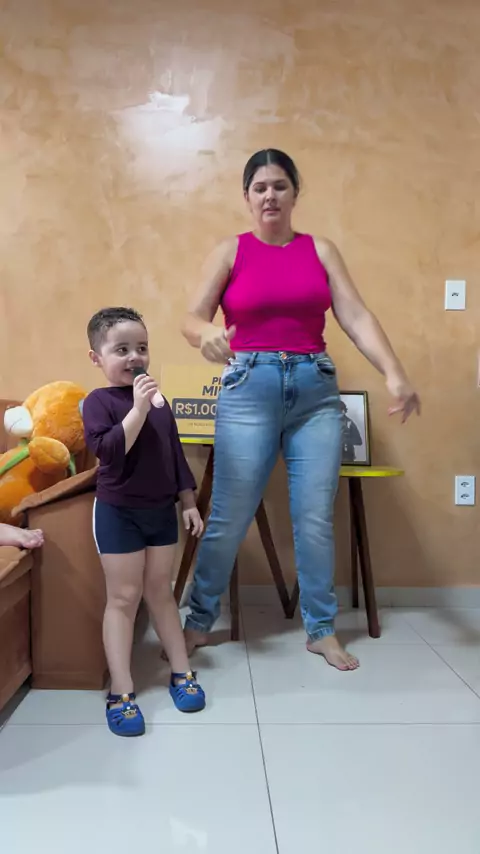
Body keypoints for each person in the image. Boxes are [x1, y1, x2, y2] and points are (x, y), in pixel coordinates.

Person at [181, 148, 421, 672]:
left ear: (294, 193)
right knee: (229, 514)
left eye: (280, 186)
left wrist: (394, 373)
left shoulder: (321, 250)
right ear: (247, 197)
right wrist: (207, 334)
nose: (270, 195)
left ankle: (321, 630)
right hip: (248, 387)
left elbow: (355, 315)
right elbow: (191, 318)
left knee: (314, 516)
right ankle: (198, 620)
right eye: (260, 187)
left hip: (314, 392)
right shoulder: (231, 251)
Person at [82, 306, 206, 736]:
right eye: (121, 350)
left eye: (142, 348)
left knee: (161, 592)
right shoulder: (98, 402)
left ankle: (182, 672)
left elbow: (174, 454)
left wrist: (187, 501)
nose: (135, 357)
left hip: (160, 512)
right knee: (123, 597)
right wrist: (136, 408)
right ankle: (121, 690)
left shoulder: (159, 401)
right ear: (97, 357)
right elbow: (109, 451)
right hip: (118, 512)